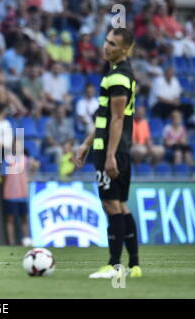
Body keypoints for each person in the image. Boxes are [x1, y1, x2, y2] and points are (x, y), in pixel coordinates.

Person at [73, 28, 142, 279]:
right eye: (106, 41)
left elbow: (116, 118)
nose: (106, 46)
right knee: (121, 205)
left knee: (111, 204)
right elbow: (104, 118)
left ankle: (114, 266)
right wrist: (85, 145)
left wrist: (110, 154)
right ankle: (134, 265)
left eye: (113, 43)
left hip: (111, 150)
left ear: (125, 49)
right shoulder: (120, 74)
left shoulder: (117, 77)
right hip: (114, 147)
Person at [0, 138, 38, 246]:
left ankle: (26, 240)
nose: (18, 147)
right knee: (10, 219)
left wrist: (35, 165)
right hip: (10, 194)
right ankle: (11, 242)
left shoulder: (26, 159)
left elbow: (32, 170)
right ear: (12, 147)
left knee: (24, 218)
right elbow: (2, 175)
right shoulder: (7, 160)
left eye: (19, 145)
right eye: (16, 145)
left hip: (23, 194)